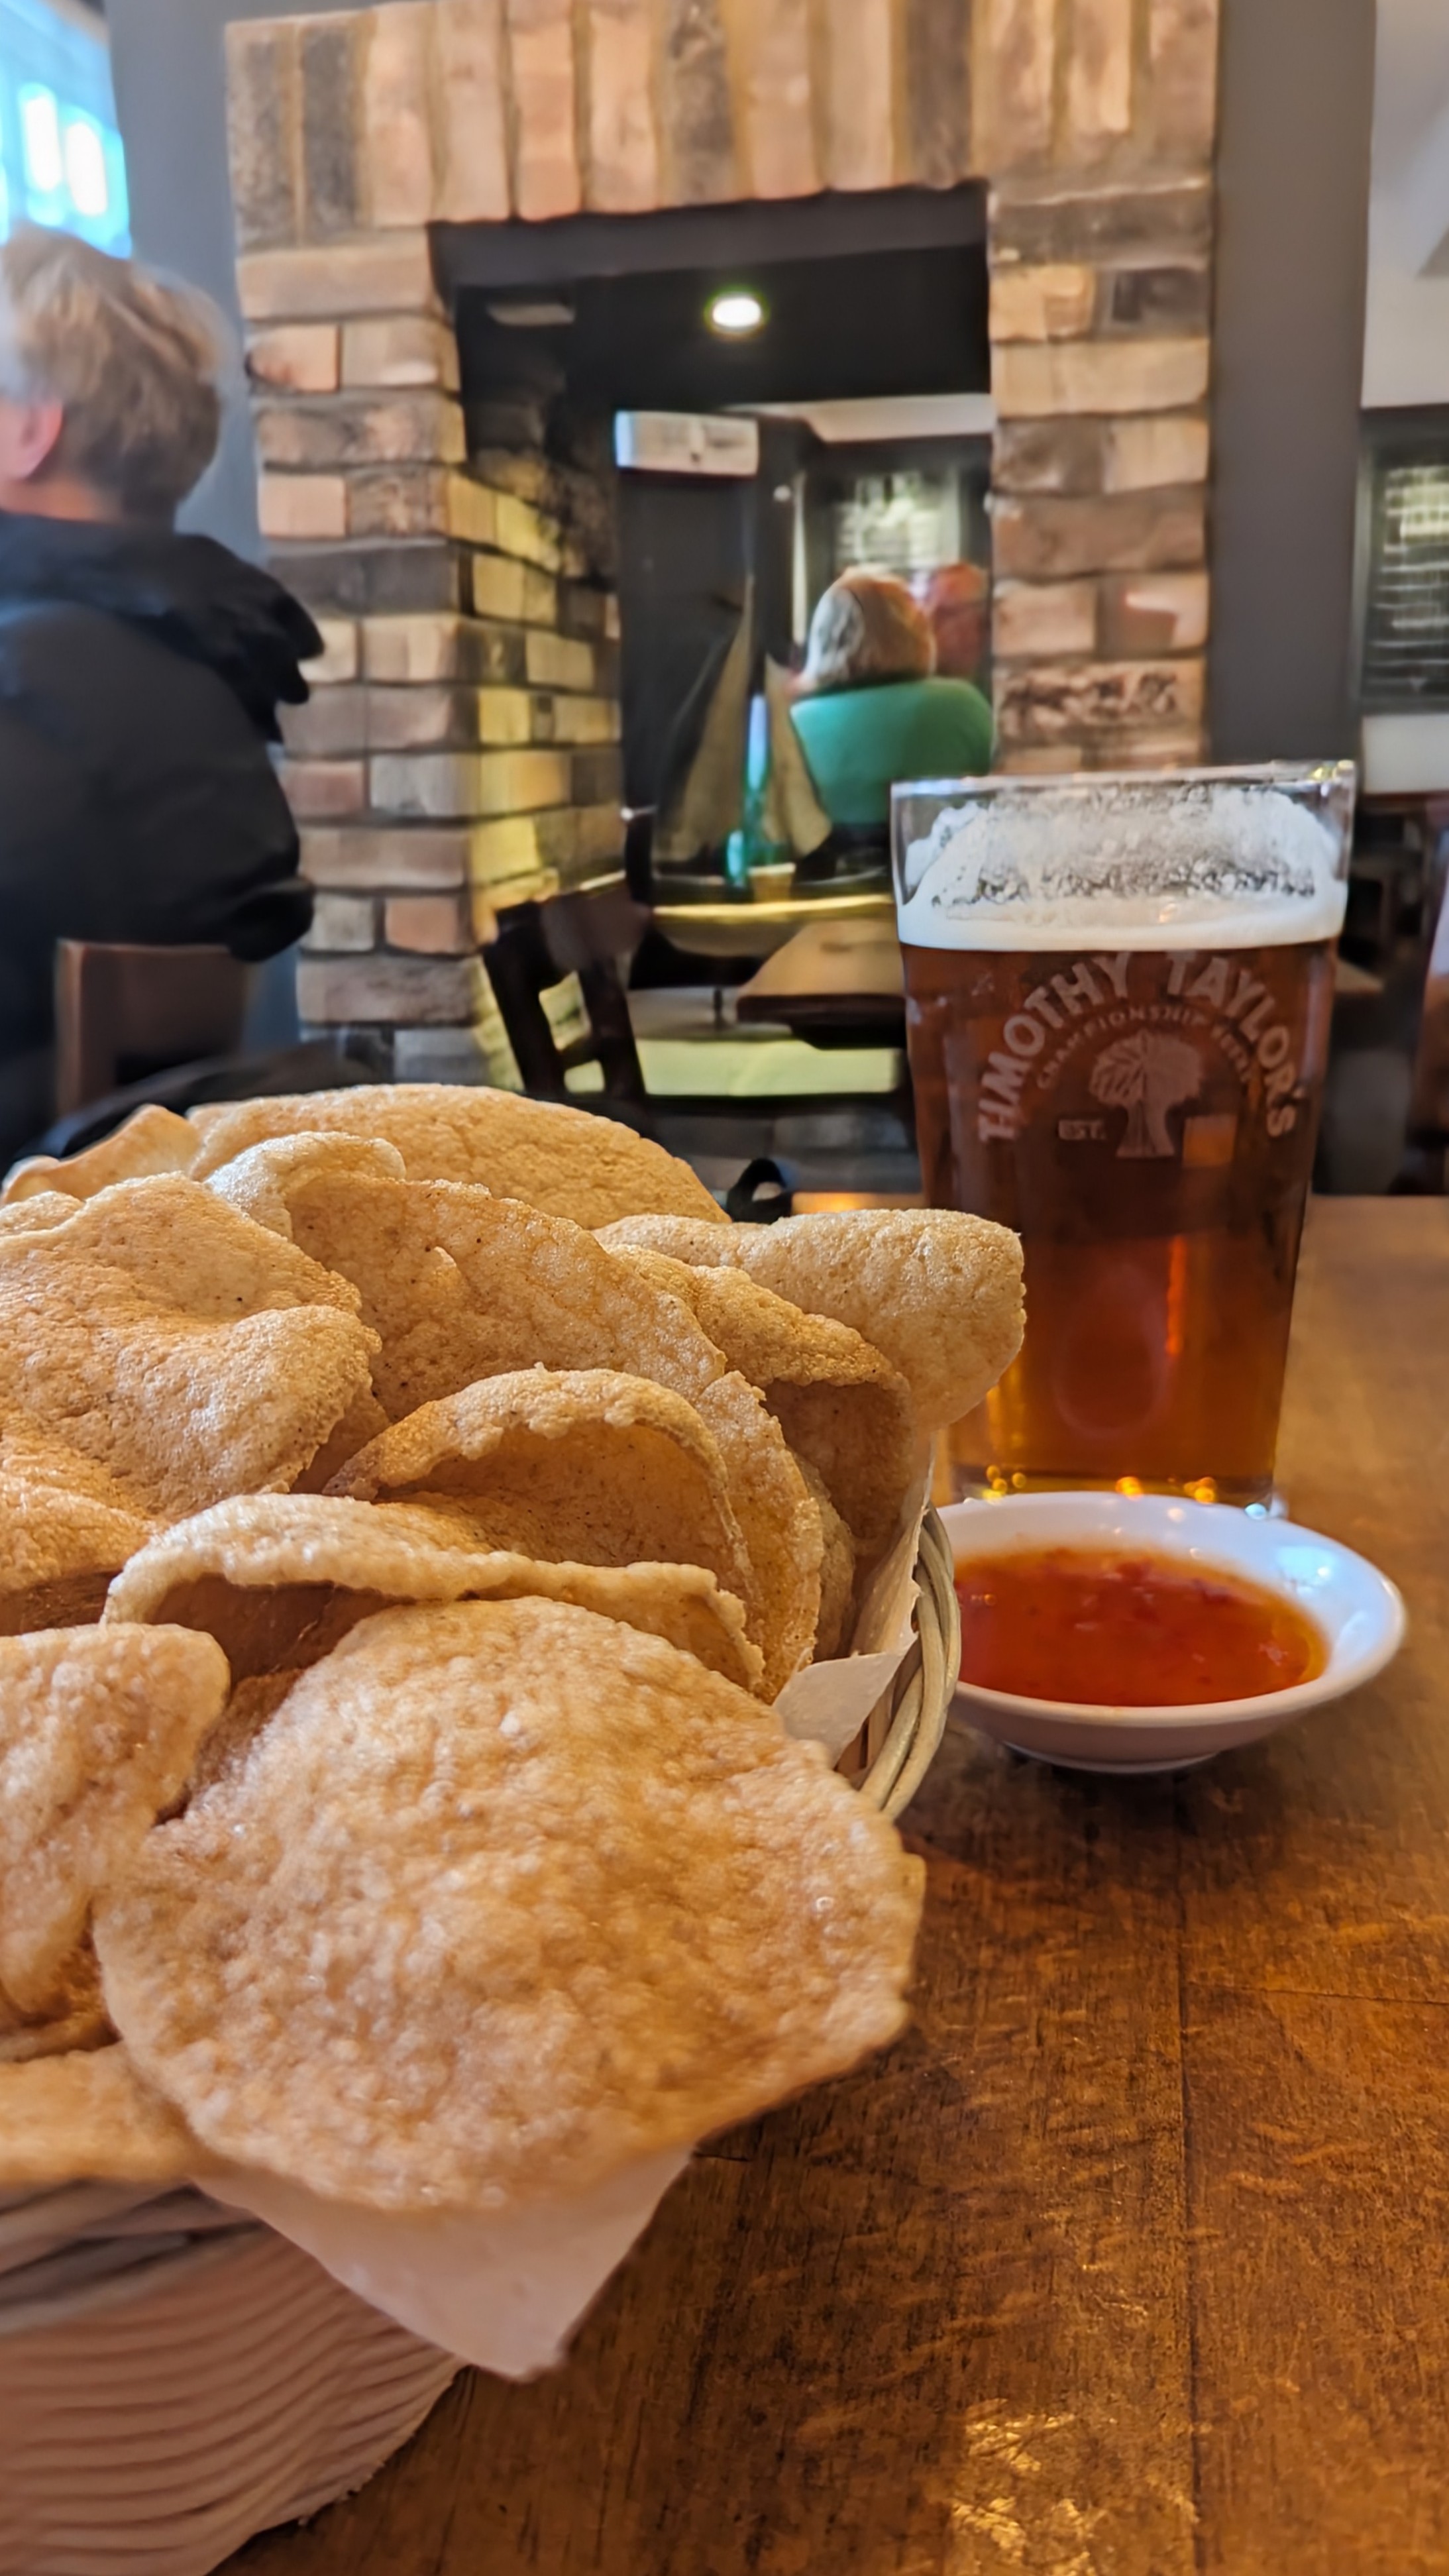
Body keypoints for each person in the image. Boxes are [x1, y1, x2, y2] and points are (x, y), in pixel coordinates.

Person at [0, 227, 318, 1159]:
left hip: (37, 1208)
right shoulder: (203, 662)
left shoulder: (31, 674)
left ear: (29, 430)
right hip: (131, 1184)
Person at [790, 568, 993, 835]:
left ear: (822, 636)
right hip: (936, 860)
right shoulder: (962, 706)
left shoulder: (793, 725)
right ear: (912, 630)